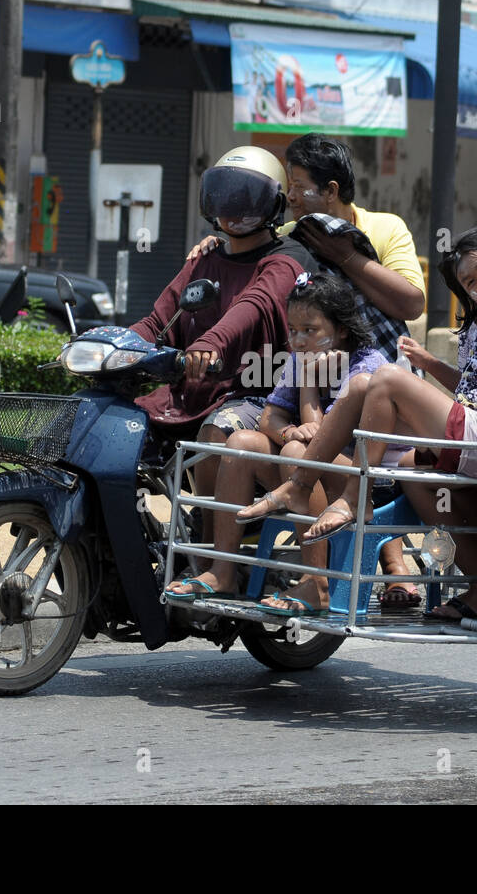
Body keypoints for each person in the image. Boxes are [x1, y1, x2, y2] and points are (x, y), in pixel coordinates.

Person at [239, 227, 477, 620]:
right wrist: (429, 364)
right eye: (468, 282)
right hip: (471, 433)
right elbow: (473, 387)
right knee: (373, 401)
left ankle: (347, 495)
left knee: (384, 379)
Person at [192, 133, 428, 606]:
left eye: (298, 186)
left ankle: (368, 571)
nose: (290, 197)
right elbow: (252, 247)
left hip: (376, 368)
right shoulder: (291, 249)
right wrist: (219, 242)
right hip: (321, 383)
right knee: (238, 440)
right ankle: (220, 569)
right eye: (289, 186)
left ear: (333, 189)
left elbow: (411, 301)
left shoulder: (384, 229)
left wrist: (345, 257)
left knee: (347, 444)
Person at [163, 272, 403, 615]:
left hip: (359, 480)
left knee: (296, 452)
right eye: (293, 331)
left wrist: (308, 385)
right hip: (310, 471)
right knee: (242, 442)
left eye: (310, 330)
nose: (299, 340)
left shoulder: (367, 367)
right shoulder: (299, 359)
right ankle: (223, 571)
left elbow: (320, 433)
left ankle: (316, 581)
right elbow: (270, 418)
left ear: (343, 329)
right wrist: (288, 432)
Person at [128, 146, 311, 533]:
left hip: (253, 394)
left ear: (273, 205)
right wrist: (113, 346)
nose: (230, 207)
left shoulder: (284, 260)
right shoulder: (204, 258)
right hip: (191, 391)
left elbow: (254, 304)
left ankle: (209, 545)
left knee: (218, 430)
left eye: (244, 197)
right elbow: (161, 319)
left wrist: (210, 343)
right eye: (222, 194)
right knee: (119, 424)